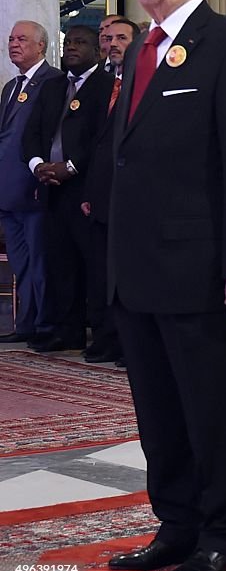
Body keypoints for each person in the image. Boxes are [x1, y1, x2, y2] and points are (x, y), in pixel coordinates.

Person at [104, 0, 226, 571]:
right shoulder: (140, 47)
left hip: (202, 269)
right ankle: (176, 525)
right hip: (139, 269)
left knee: (211, 411)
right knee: (160, 412)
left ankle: (225, 534)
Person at [22, 25, 114, 355]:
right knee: (60, 263)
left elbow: (103, 139)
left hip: (85, 189)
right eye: (69, 43)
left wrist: (70, 167)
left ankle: (103, 335)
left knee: (93, 265)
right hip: (51, 188)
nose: (72, 48)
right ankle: (67, 330)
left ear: (97, 51)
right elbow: (31, 134)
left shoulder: (106, 87)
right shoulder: (52, 86)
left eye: (80, 43)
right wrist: (38, 166)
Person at [0, 21, 63, 344]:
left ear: (42, 46)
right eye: (11, 39)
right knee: (21, 264)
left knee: (41, 262)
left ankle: (44, 323)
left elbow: (46, 136)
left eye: (22, 39)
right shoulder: (11, 87)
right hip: (8, 190)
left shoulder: (52, 82)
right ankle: (24, 323)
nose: (14, 44)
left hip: (34, 187)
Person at [81, 19, 139, 364]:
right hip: (102, 195)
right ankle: (105, 337)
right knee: (101, 273)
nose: (112, 44)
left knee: (127, 273)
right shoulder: (103, 85)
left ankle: (125, 342)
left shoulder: (143, 84)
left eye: (121, 38)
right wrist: (90, 192)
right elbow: (97, 145)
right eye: (108, 39)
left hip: (132, 198)